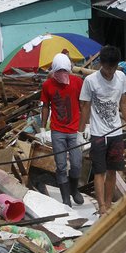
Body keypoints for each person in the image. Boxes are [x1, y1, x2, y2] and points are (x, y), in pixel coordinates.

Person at [78, 45, 126, 215]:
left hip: (116, 132)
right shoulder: (91, 81)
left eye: (113, 67)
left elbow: (124, 102)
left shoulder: (121, 77)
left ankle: (108, 204)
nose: (110, 72)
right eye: (107, 68)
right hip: (98, 133)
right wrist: (83, 129)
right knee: (99, 171)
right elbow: (85, 106)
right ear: (101, 64)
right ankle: (102, 206)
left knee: (113, 171)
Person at [40, 53, 85, 207]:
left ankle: (74, 190)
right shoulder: (47, 85)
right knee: (60, 165)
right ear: (53, 71)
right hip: (57, 130)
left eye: (65, 72)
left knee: (77, 163)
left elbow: (84, 105)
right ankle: (65, 197)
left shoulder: (77, 82)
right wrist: (41, 127)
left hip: (74, 130)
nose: (62, 75)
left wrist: (85, 127)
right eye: (59, 72)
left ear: (69, 70)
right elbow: (45, 106)